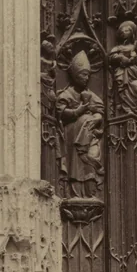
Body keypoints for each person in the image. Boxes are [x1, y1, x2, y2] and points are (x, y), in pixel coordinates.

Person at [54, 50, 104, 198]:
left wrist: (97, 117)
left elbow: (100, 109)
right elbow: (61, 112)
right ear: (75, 76)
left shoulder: (90, 95)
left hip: (88, 137)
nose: (86, 78)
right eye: (83, 74)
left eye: (88, 75)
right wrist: (78, 111)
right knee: (75, 165)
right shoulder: (66, 94)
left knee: (90, 160)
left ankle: (90, 193)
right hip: (72, 137)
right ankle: (74, 193)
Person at [108, 21, 137, 118]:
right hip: (122, 72)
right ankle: (124, 111)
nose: (124, 32)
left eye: (127, 30)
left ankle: (134, 110)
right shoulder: (118, 47)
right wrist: (120, 58)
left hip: (133, 72)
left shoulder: (134, 46)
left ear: (132, 33)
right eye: (122, 31)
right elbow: (111, 57)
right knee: (122, 89)